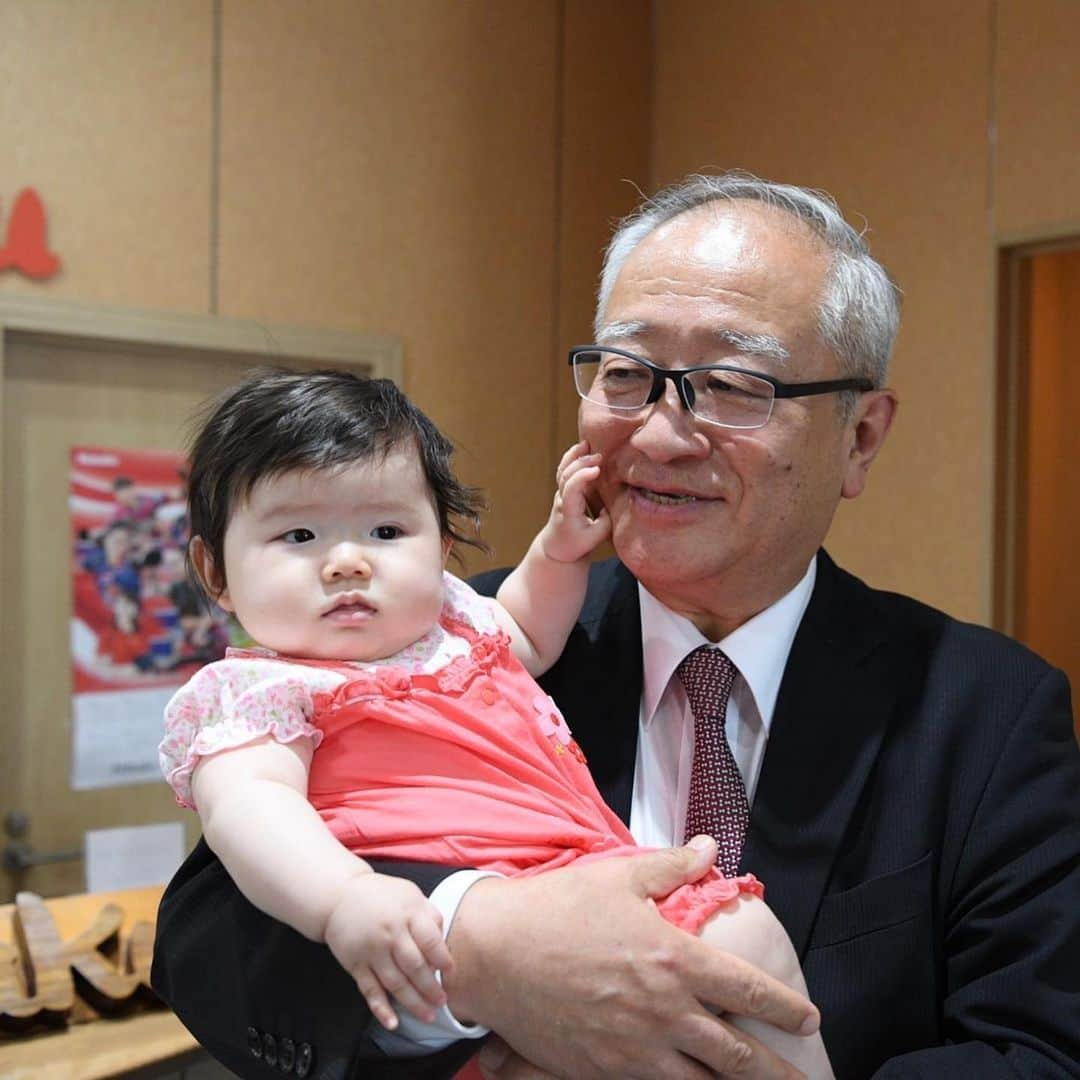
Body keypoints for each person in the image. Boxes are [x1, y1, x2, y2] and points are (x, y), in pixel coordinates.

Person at [153, 174, 1080, 1079]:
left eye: (732, 384)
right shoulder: (438, 649)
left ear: (861, 436)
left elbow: (1037, 1047)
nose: (662, 437)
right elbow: (207, 942)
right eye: (629, 375)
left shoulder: (985, 711)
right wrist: (476, 947)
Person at [155, 366, 833, 1076]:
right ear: (214, 571)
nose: (347, 563)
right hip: (435, 933)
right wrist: (343, 899)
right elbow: (250, 809)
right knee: (740, 937)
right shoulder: (256, 692)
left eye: (386, 529)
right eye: (298, 535)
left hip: (586, 877)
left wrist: (560, 550)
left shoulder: (459, 629)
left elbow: (530, 632)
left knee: (742, 944)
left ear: (442, 547)